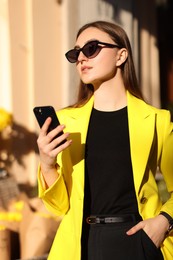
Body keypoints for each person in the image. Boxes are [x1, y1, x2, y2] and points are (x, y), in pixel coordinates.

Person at [37, 20, 173, 260]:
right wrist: (47, 164)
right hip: (81, 244)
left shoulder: (157, 120)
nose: (81, 58)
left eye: (91, 48)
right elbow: (59, 207)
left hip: (140, 239)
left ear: (121, 55)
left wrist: (164, 221)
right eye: (75, 53)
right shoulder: (67, 121)